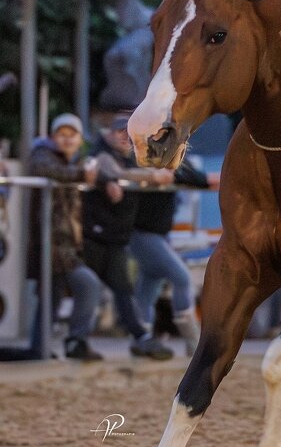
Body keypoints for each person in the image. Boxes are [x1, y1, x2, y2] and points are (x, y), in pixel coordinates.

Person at [82, 114, 174, 360]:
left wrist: (155, 174)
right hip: (94, 236)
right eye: (119, 132)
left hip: (115, 237)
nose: (124, 137)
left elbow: (126, 174)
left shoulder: (131, 158)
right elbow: (114, 172)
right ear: (109, 134)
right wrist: (150, 177)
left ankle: (140, 336)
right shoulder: (103, 155)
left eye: (128, 133)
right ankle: (71, 340)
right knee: (83, 289)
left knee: (123, 291)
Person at [26, 113, 106, 360]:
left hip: (65, 242)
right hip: (50, 242)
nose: (68, 139)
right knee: (87, 285)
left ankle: (39, 349)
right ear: (52, 137)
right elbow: (47, 170)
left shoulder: (78, 161)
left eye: (73, 135)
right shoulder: (42, 154)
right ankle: (73, 342)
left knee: (51, 297)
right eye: (63, 134)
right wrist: (83, 175)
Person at [131, 157, 219, 355]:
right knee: (182, 278)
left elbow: (189, 175)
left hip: (157, 234)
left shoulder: (174, 160)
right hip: (142, 233)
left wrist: (188, 177)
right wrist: (193, 178)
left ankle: (141, 338)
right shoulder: (144, 158)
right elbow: (186, 176)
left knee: (148, 285)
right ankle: (193, 341)